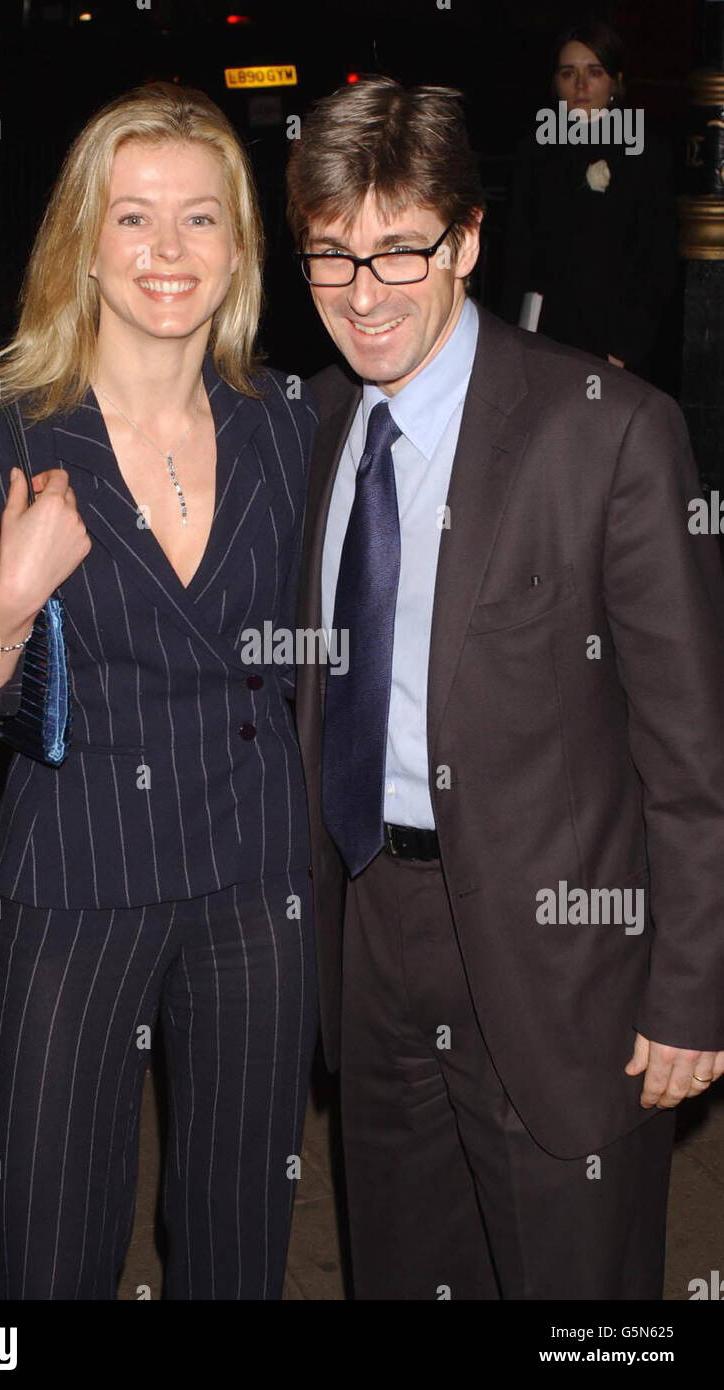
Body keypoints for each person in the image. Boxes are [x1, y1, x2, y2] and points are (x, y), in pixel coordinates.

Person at [285, 74, 724, 1300]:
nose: (363, 295)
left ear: (468, 239)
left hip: (562, 966)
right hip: (370, 938)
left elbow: (696, 751)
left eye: (399, 250)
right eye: (330, 256)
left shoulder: (609, 431)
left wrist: (694, 990)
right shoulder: (316, 426)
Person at [0, 81, 318, 1300]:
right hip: (76, 885)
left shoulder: (291, 423)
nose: (167, 252)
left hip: (254, 886)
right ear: (82, 242)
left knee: (239, 1241)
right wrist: (8, 600)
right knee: (52, 1241)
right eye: (132, 218)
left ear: (239, 245)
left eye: (199, 219)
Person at [500, 18, 677, 381]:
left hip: (611, 340)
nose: (580, 85)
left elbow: (656, 256)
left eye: (594, 72)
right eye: (569, 73)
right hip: (544, 332)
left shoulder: (643, 150)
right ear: (555, 83)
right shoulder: (536, 150)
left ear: (615, 81)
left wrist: (623, 349)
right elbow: (518, 248)